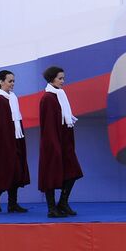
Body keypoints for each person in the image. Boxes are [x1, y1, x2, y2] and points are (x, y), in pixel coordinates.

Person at [37, 66, 82, 217]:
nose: (63, 81)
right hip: (53, 143)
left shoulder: (60, 95)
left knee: (73, 172)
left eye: (63, 78)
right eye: (60, 78)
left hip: (65, 141)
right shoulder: (48, 98)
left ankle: (62, 203)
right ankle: (51, 208)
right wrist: (54, 145)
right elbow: (48, 125)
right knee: (51, 173)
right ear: (52, 79)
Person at [0, 69, 30, 213]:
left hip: (16, 139)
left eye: (13, 81)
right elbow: (1, 126)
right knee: (9, 170)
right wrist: (7, 144)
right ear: (1, 82)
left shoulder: (12, 98)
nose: (12, 84)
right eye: (10, 81)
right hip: (6, 142)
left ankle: (12, 203)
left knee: (17, 171)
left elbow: (16, 121)